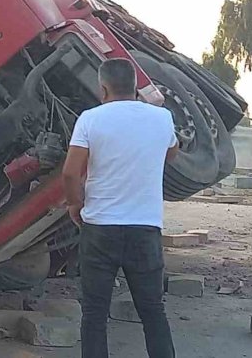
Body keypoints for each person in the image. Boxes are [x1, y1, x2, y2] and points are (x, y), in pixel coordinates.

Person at [59, 58, 179, 358]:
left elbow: (70, 173)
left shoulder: (90, 119)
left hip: (100, 228)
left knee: (95, 313)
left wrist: (74, 204)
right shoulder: (162, 118)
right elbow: (171, 153)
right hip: (145, 229)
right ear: (135, 87)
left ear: (103, 88)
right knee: (153, 310)